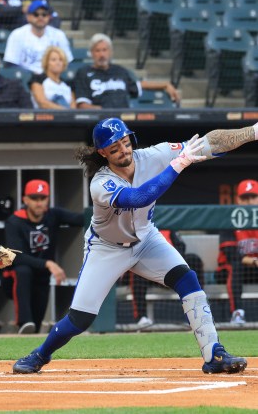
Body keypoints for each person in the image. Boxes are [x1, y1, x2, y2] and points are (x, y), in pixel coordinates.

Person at [13, 117, 251, 375]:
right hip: (107, 248)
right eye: (114, 148)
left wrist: (253, 131)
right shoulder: (100, 183)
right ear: (102, 152)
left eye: (125, 143)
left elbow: (210, 142)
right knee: (80, 319)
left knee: (187, 279)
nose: (123, 150)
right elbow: (138, 198)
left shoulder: (152, 155)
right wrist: (179, 164)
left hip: (146, 239)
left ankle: (213, 354)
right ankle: (39, 354)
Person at [3, 179, 83, 334]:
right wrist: (48, 263)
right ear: (25, 199)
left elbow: (81, 218)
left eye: (42, 198)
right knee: (23, 270)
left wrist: (109, 207)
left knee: (35, 326)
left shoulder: (53, 215)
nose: (39, 203)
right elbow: (16, 256)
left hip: (42, 277)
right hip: (13, 279)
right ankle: (23, 321)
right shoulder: (14, 221)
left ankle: (28, 331)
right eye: (34, 198)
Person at [74, 33, 179, 109]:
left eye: (105, 50)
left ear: (110, 52)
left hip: (124, 119)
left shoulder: (120, 71)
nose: (102, 54)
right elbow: (83, 105)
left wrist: (165, 85)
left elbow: (139, 85)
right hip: (101, 122)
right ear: (91, 53)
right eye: (98, 50)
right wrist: (104, 113)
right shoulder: (83, 73)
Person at [217, 179, 258, 325]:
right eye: (245, 198)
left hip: (254, 269)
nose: (249, 201)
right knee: (235, 266)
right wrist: (253, 260)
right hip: (231, 270)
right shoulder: (230, 219)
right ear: (238, 199)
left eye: (253, 197)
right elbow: (231, 253)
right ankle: (237, 313)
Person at [3, 0, 73, 75]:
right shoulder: (17, 34)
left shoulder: (59, 35)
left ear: (49, 17)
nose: (40, 17)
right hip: (27, 79)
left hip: (53, 77)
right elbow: (10, 63)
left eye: (44, 14)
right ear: (28, 17)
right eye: (36, 14)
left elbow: (68, 61)